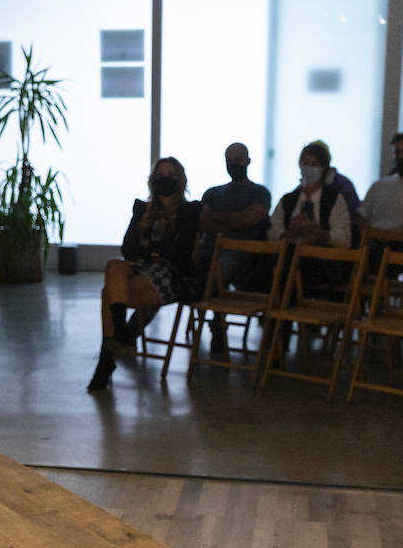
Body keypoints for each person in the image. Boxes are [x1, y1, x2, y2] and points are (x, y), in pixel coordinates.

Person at [88, 157, 203, 392]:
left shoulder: (190, 211)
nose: (165, 179)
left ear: (180, 180)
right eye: (160, 174)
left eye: (171, 174)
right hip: (139, 268)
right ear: (152, 180)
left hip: (170, 275)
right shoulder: (141, 208)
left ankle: (107, 359)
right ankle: (121, 334)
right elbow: (127, 248)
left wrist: (149, 250)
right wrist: (156, 251)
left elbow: (179, 253)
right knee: (114, 265)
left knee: (107, 293)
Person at [198, 142, 272, 354]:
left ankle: (215, 316)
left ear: (248, 161)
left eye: (238, 159)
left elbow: (250, 219)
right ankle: (214, 314)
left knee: (224, 264)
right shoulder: (212, 192)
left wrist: (218, 219)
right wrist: (233, 220)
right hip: (208, 250)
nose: (233, 164)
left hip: (243, 254)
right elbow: (202, 222)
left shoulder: (259, 192)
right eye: (229, 160)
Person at [268, 140, 353, 248]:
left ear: (324, 168)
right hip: (289, 255)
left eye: (314, 164)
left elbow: (344, 239)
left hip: (323, 259)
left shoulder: (334, 199)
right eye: (306, 164)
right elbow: (272, 231)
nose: (309, 168)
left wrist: (318, 232)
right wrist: (289, 233)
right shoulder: (288, 199)